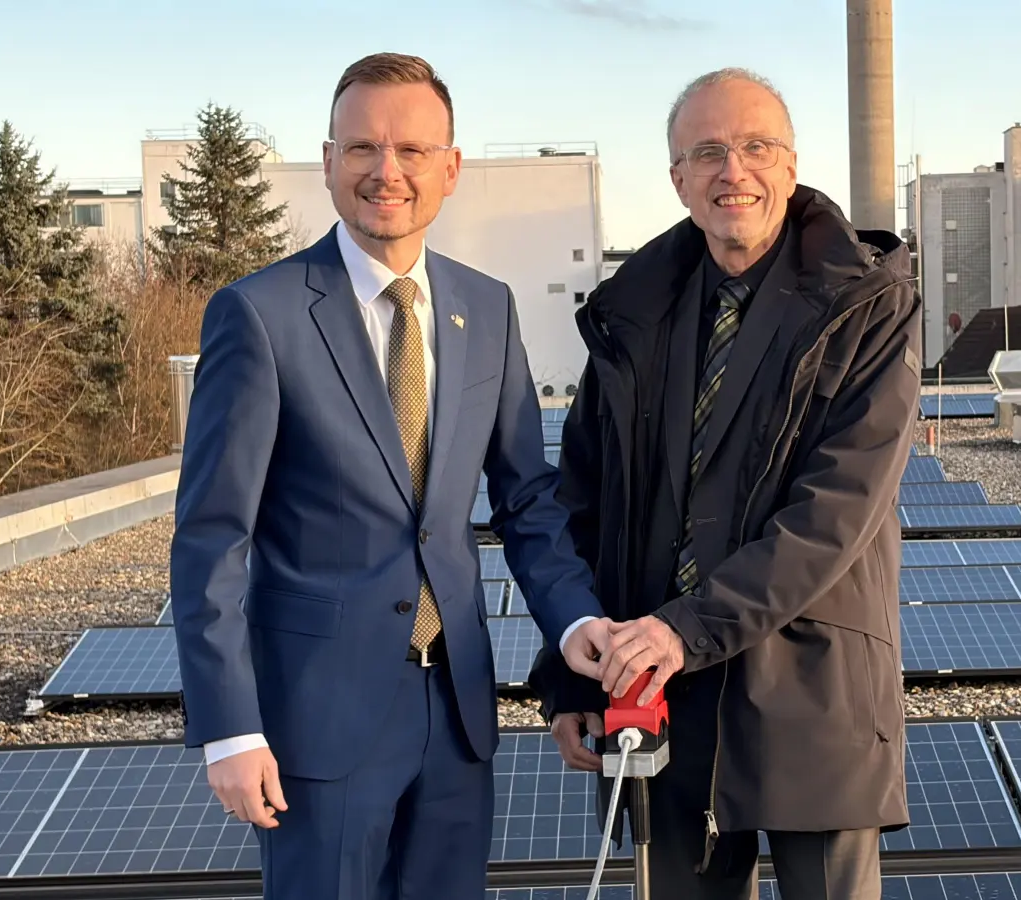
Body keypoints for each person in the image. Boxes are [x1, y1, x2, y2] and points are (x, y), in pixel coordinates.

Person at [168, 52, 614, 900]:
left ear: (450, 168)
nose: (387, 172)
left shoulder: (487, 308)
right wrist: (229, 729)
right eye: (363, 148)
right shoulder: (259, 315)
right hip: (316, 722)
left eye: (412, 150)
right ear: (330, 161)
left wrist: (573, 621)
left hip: (455, 714)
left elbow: (525, 500)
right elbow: (212, 538)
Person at [529, 67, 922, 899]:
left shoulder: (868, 307)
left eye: (754, 147)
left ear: (790, 165)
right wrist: (569, 672)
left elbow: (834, 514)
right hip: (658, 693)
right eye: (706, 152)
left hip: (811, 689)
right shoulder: (631, 314)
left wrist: (686, 628)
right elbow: (584, 500)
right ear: (676, 178)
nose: (731, 171)